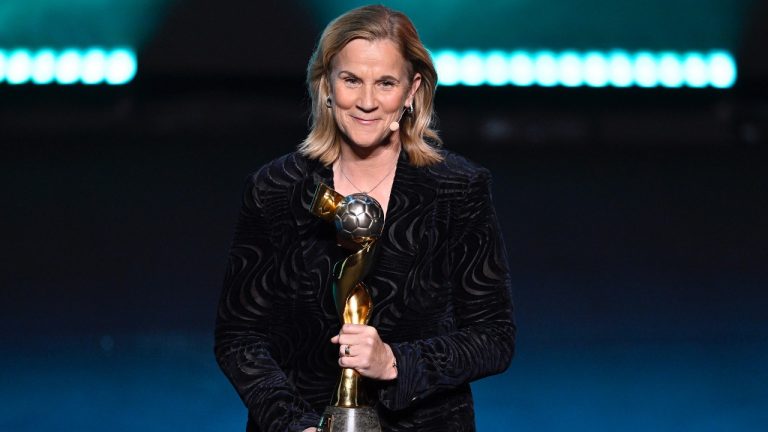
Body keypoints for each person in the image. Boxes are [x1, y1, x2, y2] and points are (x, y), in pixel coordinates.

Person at [214, 5, 515, 431]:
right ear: (325, 85)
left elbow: (494, 337)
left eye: (386, 83)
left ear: (412, 91)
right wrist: (292, 424)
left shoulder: (458, 189)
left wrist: (395, 362)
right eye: (351, 80)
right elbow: (239, 337)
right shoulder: (276, 189)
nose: (368, 102)